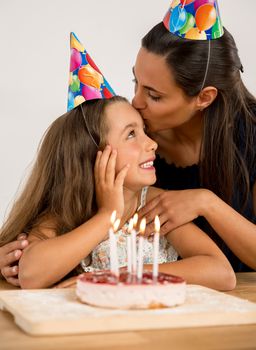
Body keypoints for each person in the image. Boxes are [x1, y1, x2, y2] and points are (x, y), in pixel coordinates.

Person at [0, 94, 236, 290]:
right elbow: (31, 275)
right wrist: (106, 215)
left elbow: (222, 273)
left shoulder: (156, 205)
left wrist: (118, 277)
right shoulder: (69, 211)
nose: (152, 143)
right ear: (92, 155)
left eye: (144, 130)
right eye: (131, 134)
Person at [132, 0, 256, 272]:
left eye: (153, 95)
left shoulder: (252, 135)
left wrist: (205, 202)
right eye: (136, 83)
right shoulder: (129, 136)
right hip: (154, 292)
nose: (135, 102)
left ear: (204, 97)